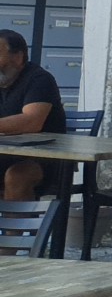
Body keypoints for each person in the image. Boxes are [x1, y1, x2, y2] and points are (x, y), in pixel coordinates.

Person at [0, 29, 66, 202]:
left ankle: (15, 222)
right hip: (7, 154)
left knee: (17, 175)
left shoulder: (39, 79)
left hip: (46, 158)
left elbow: (32, 121)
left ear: (18, 57)